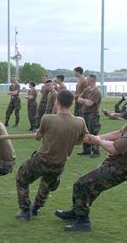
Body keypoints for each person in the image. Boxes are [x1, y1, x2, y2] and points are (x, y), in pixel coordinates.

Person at [56, 95, 127, 232]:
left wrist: (98, 141)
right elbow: (119, 134)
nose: (125, 107)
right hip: (114, 163)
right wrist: (100, 137)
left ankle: (83, 222)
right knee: (91, 188)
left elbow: (114, 148)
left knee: (81, 184)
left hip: (120, 168)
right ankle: (77, 212)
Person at [15, 90, 89, 221]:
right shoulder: (80, 122)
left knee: (21, 178)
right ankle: (36, 208)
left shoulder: (48, 118)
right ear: (71, 104)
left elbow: (38, 137)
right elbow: (84, 139)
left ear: (57, 102)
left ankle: (26, 210)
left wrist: (40, 133)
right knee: (46, 185)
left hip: (42, 160)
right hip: (59, 164)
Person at [77, 75, 102, 158]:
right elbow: (79, 99)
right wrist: (85, 100)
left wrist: (84, 100)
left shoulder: (97, 92)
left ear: (91, 80)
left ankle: (95, 151)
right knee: (85, 132)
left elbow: (89, 103)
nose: (86, 81)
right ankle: (86, 150)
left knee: (93, 132)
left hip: (92, 115)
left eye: (87, 80)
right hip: (85, 114)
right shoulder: (87, 89)